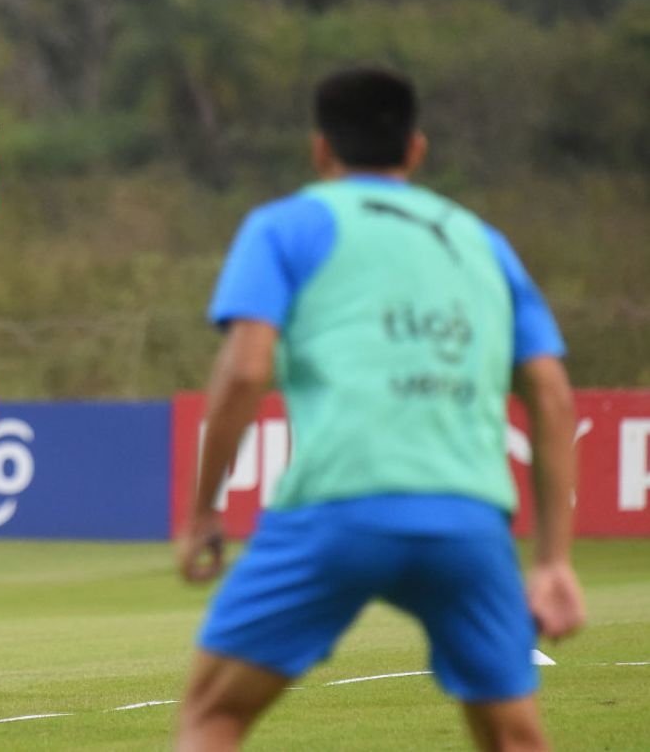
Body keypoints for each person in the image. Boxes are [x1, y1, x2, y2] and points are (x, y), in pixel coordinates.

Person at [176, 67, 586, 750]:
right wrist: (553, 560)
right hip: (468, 519)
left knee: (213, 714)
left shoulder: (286, 226)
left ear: (320, 149)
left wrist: (202, 511)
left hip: (338, 507)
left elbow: (247, 369)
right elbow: (550, 393)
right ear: (416, 149)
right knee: (514, 735)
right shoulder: (482, 241)